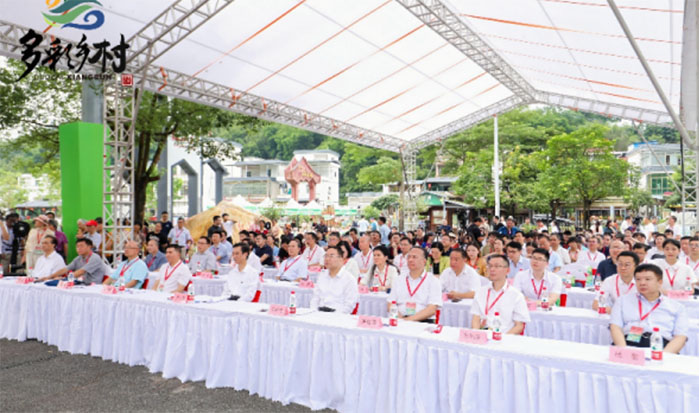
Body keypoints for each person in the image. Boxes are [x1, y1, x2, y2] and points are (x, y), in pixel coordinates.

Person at [610, 264, 688, 353]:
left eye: (647, 279)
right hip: (629, 342)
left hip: (661, 344)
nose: (642, 283)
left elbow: (680, 337)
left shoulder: (677, 307)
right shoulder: (622, 301)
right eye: (638, 279)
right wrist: (624, 351)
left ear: (660, 282)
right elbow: (615, 327)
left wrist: (664, 356)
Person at [471, 254, 530, 334]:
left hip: (504, 336)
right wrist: (476, 334)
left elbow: (519, 326)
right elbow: (476, 318)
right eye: (490, 266)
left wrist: (503, 338)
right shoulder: (481, 292)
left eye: (497, 266)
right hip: (483, 335)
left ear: (507, 270)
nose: (492, 269)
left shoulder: (516, 295)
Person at [387, 247, 442, 322]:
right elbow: (390, 303)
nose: (410, 260)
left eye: (414, 257)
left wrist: (407, 321)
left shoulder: (433, 281)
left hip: (422, 321)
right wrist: (400, 319)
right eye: (409, 257)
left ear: (424, 261)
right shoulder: (399, 279)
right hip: (400, 319)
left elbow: (432, 309)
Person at [310, 246, 359, 313]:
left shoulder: (349, 279)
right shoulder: (322, 276)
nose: (327, 259)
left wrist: (334, 316)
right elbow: (315, 299)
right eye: (326, 256)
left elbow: (349, 305)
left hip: (338, 315)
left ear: (341, 259)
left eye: (331, 256)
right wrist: (314, 312)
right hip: (319, 313)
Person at [40, 238, 104, 284]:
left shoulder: (95, 258)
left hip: (92, 286)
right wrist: (49, 277)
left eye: (81, 246)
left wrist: (65, 279)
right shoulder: (78, 258)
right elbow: (65, 269)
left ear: (89, 247)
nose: (79, 248)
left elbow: (81, 271)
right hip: (81, 283)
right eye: (77, 247)